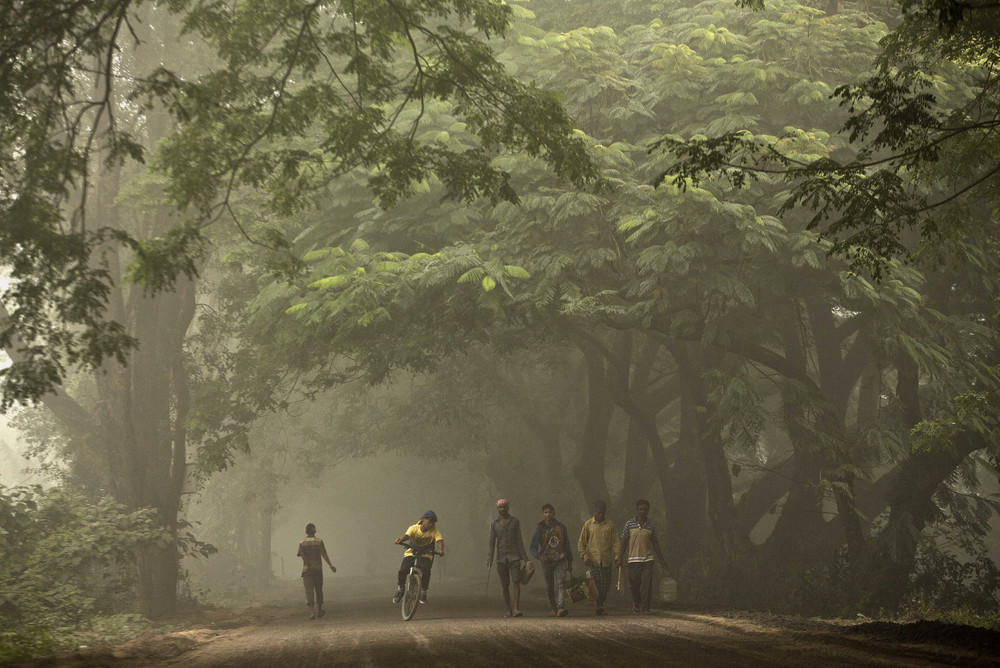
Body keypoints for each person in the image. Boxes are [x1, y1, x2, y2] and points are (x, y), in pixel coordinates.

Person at [619, 499, 668, 614]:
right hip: (633, 560)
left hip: (647, 560)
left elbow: (655, 543)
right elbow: (624, 541)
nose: (643, 511)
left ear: (648, 510)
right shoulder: (629, 524)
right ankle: (636, 602)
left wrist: (662, 560)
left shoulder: (651, 525)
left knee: (646, 584)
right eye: (640, 509)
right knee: (634, 585)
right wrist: (619, 557)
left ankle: (645, 607)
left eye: (645, 509)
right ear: (637, 510)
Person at [486, 498, 529, 618]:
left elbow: (519, 540)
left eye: (504, 507)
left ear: (508, 507)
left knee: (516, 582)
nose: (502, 509)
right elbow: (491, 542)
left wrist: (524, 557)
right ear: (497, 509)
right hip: (501, 558)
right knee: (505, 586)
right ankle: (508, 609)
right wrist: (490, 557)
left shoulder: (515, 521)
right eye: (500, 507)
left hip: (514, 556)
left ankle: (516, 608)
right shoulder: (494, 524)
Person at [529, 503, 573, 617]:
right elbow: (532, 547)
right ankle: (553, 607)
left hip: (561, 559)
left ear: (554, 513)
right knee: (549, 585)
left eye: (550, 512)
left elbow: (567, 545)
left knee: (561, 583)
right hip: (547, 561)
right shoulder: (539, 529)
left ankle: (560, 607)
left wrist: (570, 561)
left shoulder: (561, 527)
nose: (548, 514)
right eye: (545, 512)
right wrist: (539, 556)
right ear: (542, 514)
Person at [578, 499, 620, 615]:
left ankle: (601, 603)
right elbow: (581, 542)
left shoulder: (610, 525)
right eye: (598, 512)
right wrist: (584, 556)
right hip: (593, 560)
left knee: (606, 585)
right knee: (597, 584)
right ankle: (599, 605)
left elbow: (615, 542)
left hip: (607, 560)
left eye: (602, 512)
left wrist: (617, 556)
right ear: (595, 511)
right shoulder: (588, 524)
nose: (600, 515)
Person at [393, 510, 444, 604]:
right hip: (412, 552)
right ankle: (400, 589)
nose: (431, 524)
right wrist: (400, 540)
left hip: (426, 554)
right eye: (429, 521)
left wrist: (440, 549)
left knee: (426, 569)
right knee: (403, 570)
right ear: (423, 520)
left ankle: (423, 592)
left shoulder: (434, 530)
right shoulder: (413, 528)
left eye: (433, 522)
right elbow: (407, 536)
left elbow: (439, 540)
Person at [297, 523, 337, 619]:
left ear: (306, 531)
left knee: (309, 590)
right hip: (318, 569)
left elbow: (301, 554)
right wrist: (331, 565)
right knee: (319, 590)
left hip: (307, 570)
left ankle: (312, 612)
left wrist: (307, 563)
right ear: (315, 531)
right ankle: (320, 610)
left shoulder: (302, 542)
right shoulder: (319, 541)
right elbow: (324, 554)